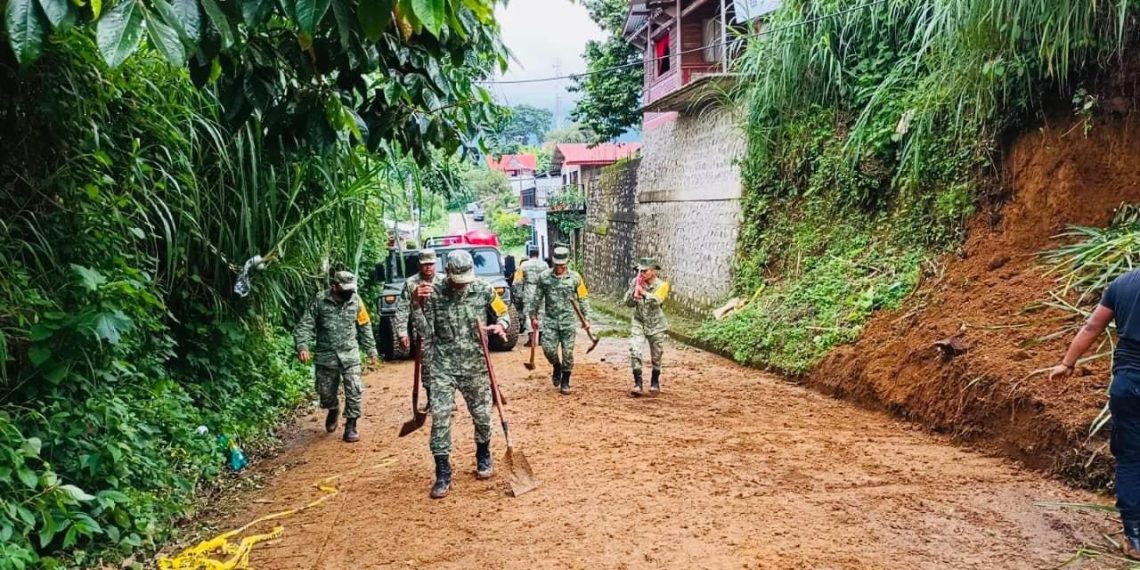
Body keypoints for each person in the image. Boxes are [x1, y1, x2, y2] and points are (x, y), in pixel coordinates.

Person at [1050, 269, 1140, 559]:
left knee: (1131, 457)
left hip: (1127, 385)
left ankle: (1134, 536)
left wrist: (1067, 363)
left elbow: (1092, 326)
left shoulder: (1123, 283)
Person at [415, 250, 511, 499]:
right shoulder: (433, 292)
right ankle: (443, 471)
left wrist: (501, 325)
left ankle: (483, 454)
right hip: (443, 366)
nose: (462, 285)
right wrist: (417, 305)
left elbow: (503, 312)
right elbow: (425, 331)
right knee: (441, 419)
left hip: (475, 365)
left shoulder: (483, 289)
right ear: (447, 273)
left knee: (482, 417)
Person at [294, 271, 379, 443]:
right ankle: (333, 409)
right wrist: (302, 345)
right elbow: (305, 324)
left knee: (354, 389)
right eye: (345, 288)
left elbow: (364, 325)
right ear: (334, 286)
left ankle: (351, 425)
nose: (349, 292)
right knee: (325, 393)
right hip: (326, 356)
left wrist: (371, 349)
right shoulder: (319, 300)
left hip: (350, 354)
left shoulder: (356, 300)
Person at [530, 246, 592, 395]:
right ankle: (556, 366)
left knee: (568, 353)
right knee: (548, 350)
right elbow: (537, 297)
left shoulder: (576, 278)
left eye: (562, 265)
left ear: (567, 263)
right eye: (557, 264)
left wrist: (586, 318)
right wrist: (533, 315)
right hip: (550, 321)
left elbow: (583, 298)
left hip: (568, 321)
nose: (559, 268)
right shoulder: (544, 277)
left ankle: (565, 381)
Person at [395, 249, 442, 406]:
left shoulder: (444, 281)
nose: (428, 268)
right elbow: (402, 309)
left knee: (446, 364)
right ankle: (431, 398)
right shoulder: (410, 283)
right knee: (427, 365)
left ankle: (445, 398)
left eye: (431, 264)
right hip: (423, 332)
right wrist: (402, 333)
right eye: (424, 265)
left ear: (435, 264)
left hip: (444, 330)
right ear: (419, 265)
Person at [624, 257, 669, 397]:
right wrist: (633, 295)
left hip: (656, 325)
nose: (641, 274)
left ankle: (655, 381)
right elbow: (627, 302)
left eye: (645, 271)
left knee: (657, 355)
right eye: (640, 271)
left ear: (653, 271)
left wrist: (644, 293)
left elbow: (657, 300)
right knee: (635, 349)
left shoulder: (662, 285)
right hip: (639, 322)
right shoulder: (635, 282)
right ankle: (638, 382)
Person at [517, 246, 549, 346]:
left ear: (529, 254)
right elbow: (548, 278)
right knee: (542, 312)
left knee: (528, 313)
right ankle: (541, 338)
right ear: (538, 253)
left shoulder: (523, 265)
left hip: (529, 290)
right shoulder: (544, 265)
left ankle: (531, 338)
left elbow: (518, 281)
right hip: (541, 290)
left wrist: (519, 295)